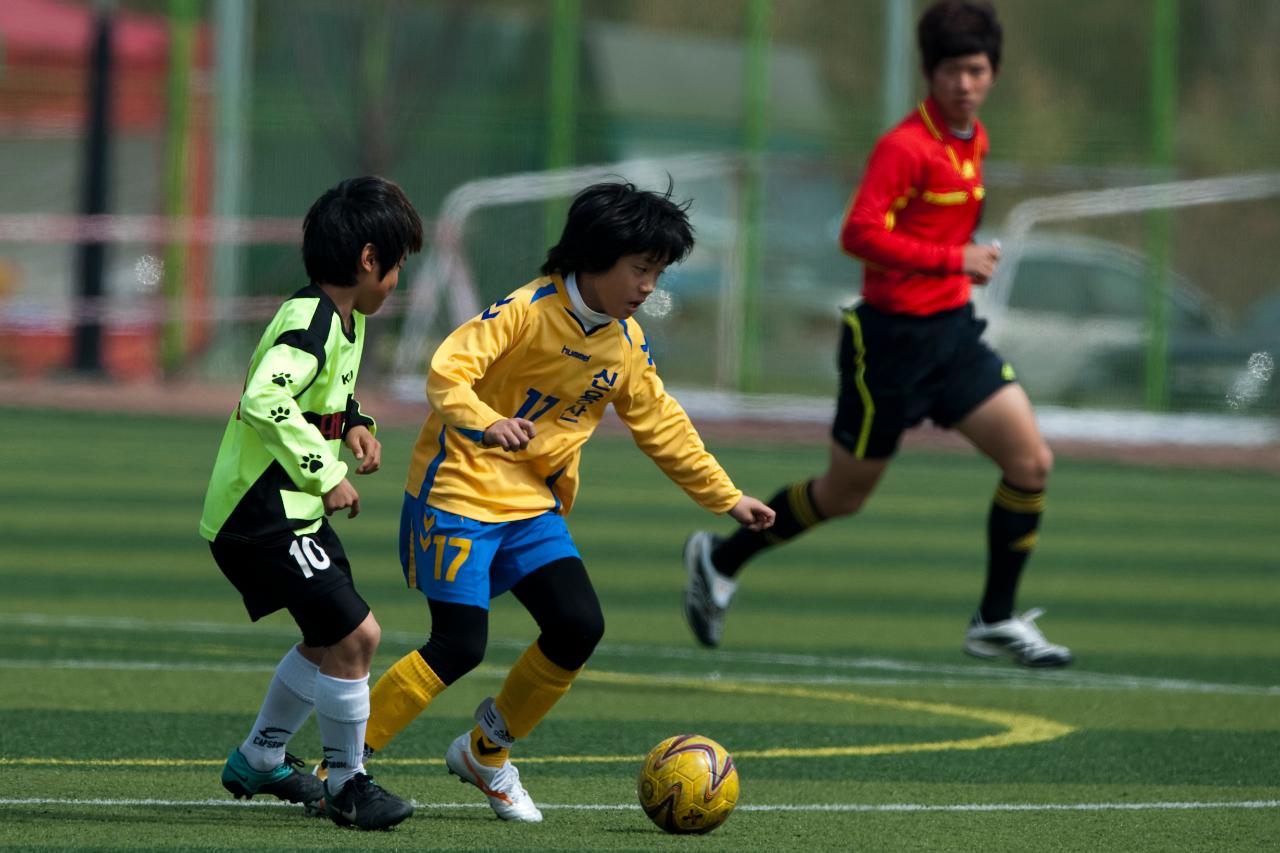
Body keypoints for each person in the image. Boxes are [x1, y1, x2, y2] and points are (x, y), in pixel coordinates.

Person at [359, 180, 775, 822]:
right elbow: (447, 372)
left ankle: (486, 752)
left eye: (657, 273)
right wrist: (483, 421)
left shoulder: (625, 343)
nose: (648, 287)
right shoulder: (525, 311)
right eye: (640, 269)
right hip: (459, 490)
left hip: (532, 506)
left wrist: (726, 497)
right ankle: (345, 764)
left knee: (578, 625)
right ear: (595, 256)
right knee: (460, 644)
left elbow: (661, 424)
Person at [683, 0, 1072, 668]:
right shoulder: (905, 146)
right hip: (887, 347)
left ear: (994, 73)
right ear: (929, 72)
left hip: (952, 337)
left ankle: (995, 618)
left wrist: (955, 264)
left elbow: (933, 230)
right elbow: (859, 232)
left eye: (976, 70)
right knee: (845, 494)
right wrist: (956, 260)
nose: (964, 83)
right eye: (951, 70)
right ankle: (719, 558)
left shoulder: (973, 140)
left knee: (1031, 461)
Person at [199, 176, 423, 830]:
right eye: (398, 266)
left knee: (329, 638)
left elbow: (321, 395)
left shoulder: (341, 323)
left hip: (286, 511)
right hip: (259, 513)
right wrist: (325, 471)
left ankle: (260, 757)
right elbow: (267, 399)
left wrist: (355, 424)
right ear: (368, 259)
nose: (398, 282)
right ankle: (349, 785)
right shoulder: (312, 320)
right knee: (358, 635)